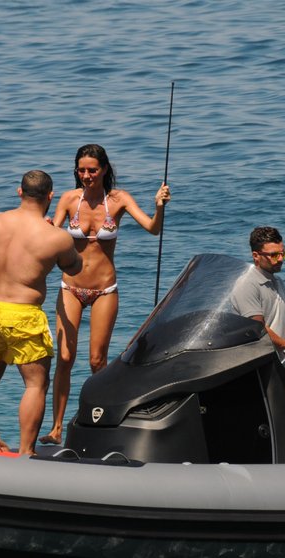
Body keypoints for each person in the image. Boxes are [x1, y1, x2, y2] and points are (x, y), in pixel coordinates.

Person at [39, 144, 171, 446]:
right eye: (81, 170)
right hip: (71, 286)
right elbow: (50, 236)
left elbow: (153, 228)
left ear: (104, 169)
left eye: (92, 170)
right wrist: (46, 227)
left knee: (98, 361)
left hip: (104, 289)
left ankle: (104, 424)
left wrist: (159, 205)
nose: (86, 176)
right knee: (65, 357)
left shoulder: (119, 199)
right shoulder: (69, 199)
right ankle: (56, 429)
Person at [0, 170, 82, 455]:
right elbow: (74, 267)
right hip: (23, 314)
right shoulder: (56, 237)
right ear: (50, 196)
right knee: (35, 384)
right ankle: (26, 452)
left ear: (20, 192)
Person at [230, 226, 285, 360]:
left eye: (283, 254)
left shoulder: (278, 281)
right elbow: (258, 328)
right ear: (256, 256)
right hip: (255, 362)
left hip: (277, 359)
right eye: (274, 255)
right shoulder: (246, 284)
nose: (281, 259)